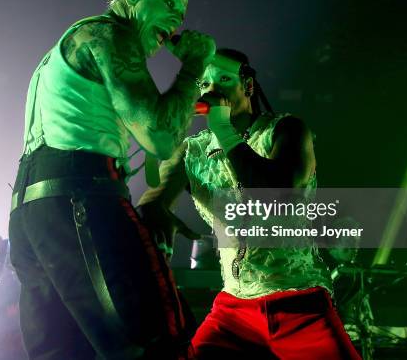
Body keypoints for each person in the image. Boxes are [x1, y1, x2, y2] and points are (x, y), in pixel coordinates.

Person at [8, 0, 215, 360]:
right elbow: (160, 137)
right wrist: (193, 67)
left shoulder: (69, 46)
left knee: (66, 350)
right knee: (155, 338)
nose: (176, 21)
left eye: (182, 11)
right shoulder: (110, 35)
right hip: (81, 198)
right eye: (169, 4)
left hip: (32, 207)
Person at [138, 48, 361, 359]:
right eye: (204, 85)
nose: (212, 90)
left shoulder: (287, 130)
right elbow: (151, 201)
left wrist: (225, 131)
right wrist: (156, 213)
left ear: (249, 86)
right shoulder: (191, 150)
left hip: (299, 304)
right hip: (233, 311)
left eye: (224, 80)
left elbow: (275, 192)